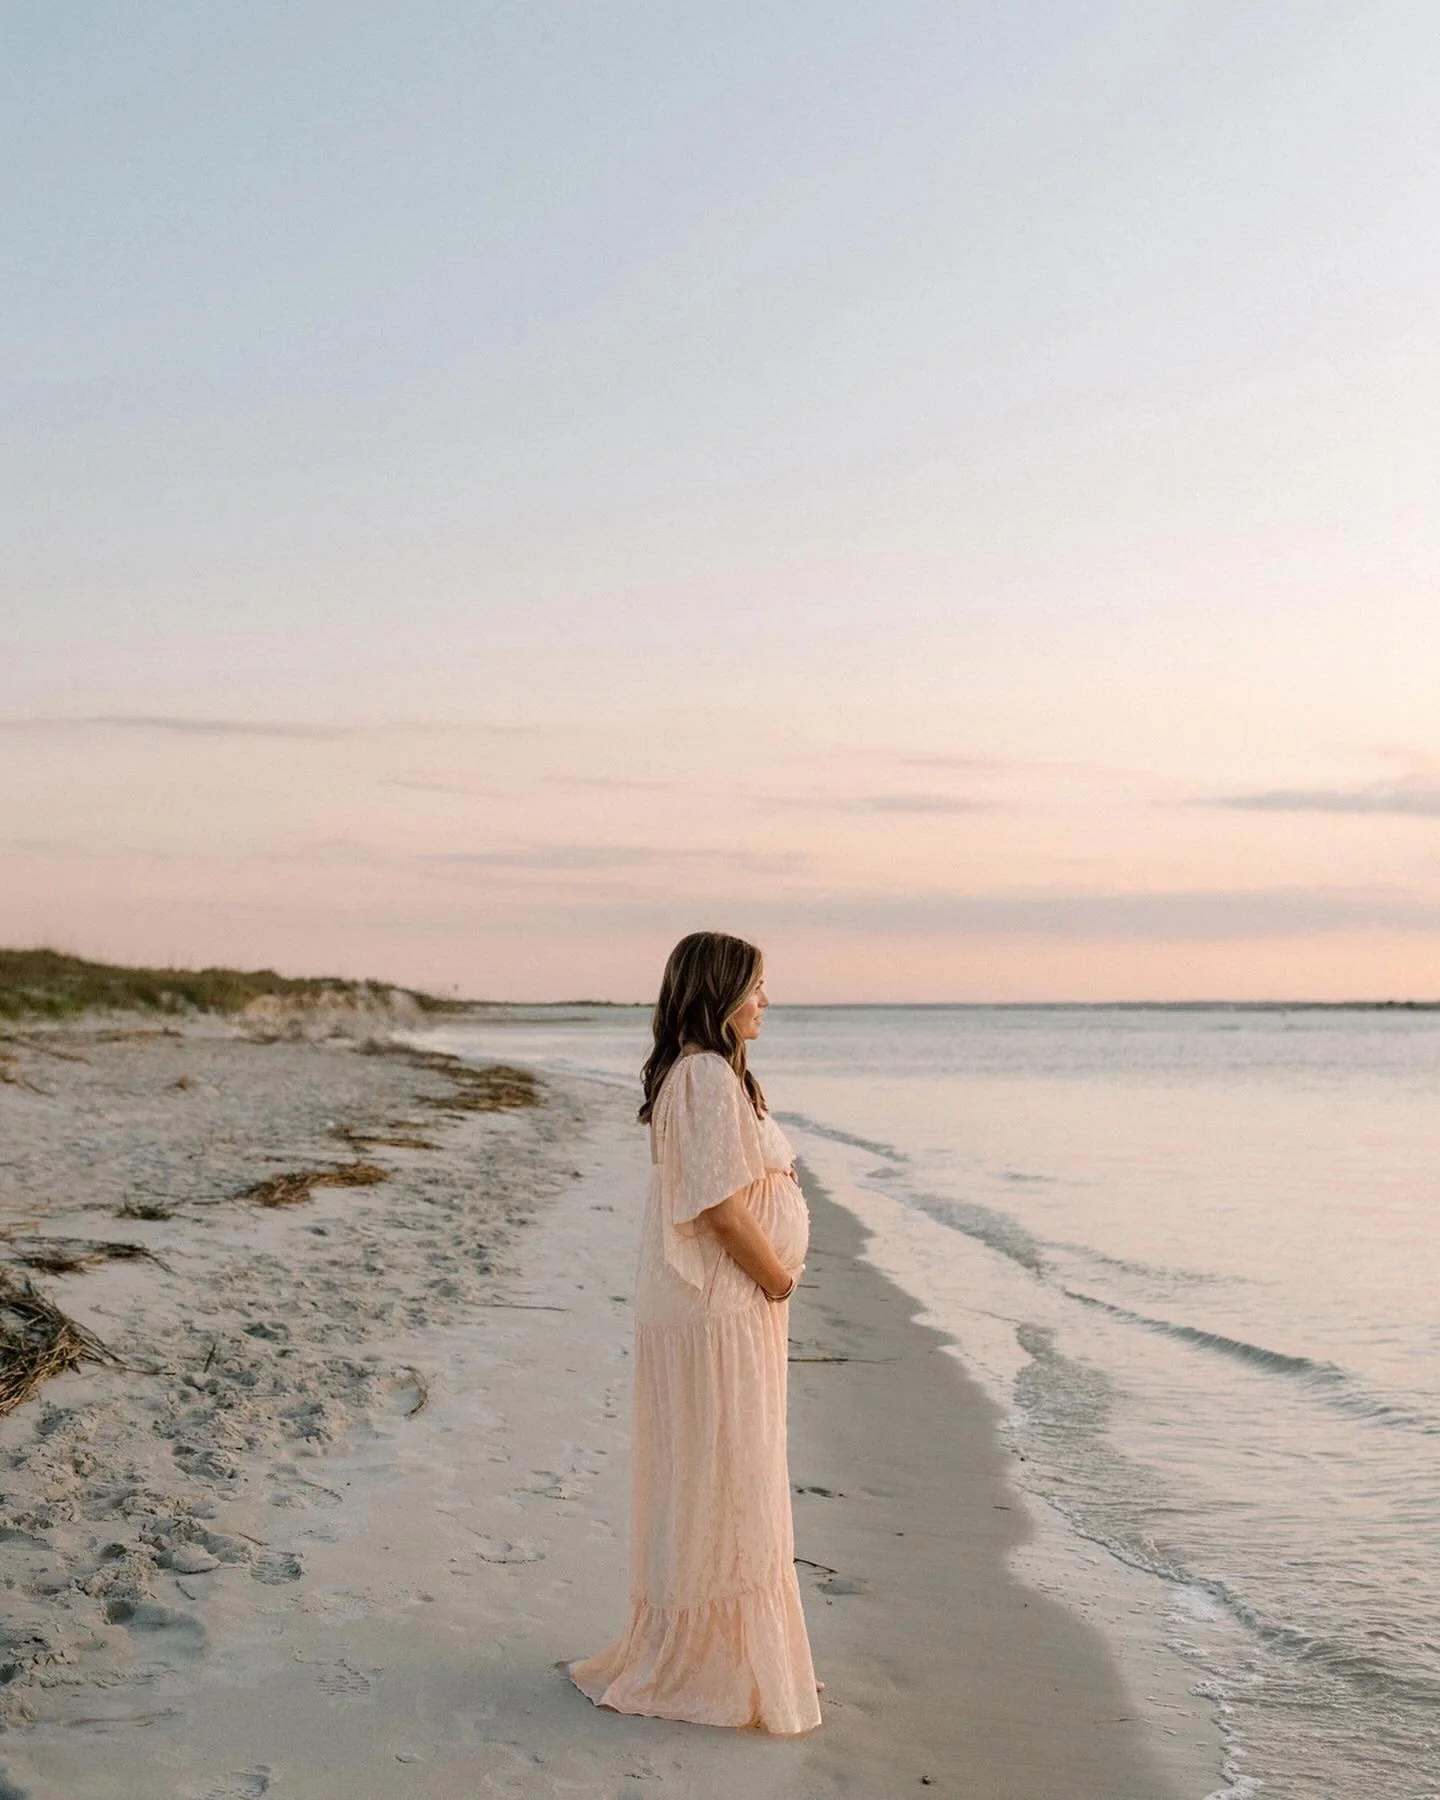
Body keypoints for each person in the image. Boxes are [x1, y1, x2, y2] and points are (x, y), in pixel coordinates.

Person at [569, 931, 822, 1735]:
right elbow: (718, 1207)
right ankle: (717, 1666)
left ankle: (710, 1651)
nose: (765, 1002)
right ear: (718, 993)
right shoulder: (707, 1075)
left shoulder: (697, 1072)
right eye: (754, 987)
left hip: (711, 1307)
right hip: (721, 1306)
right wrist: (778, 1278)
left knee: (712, 1475)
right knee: (731, 1477)